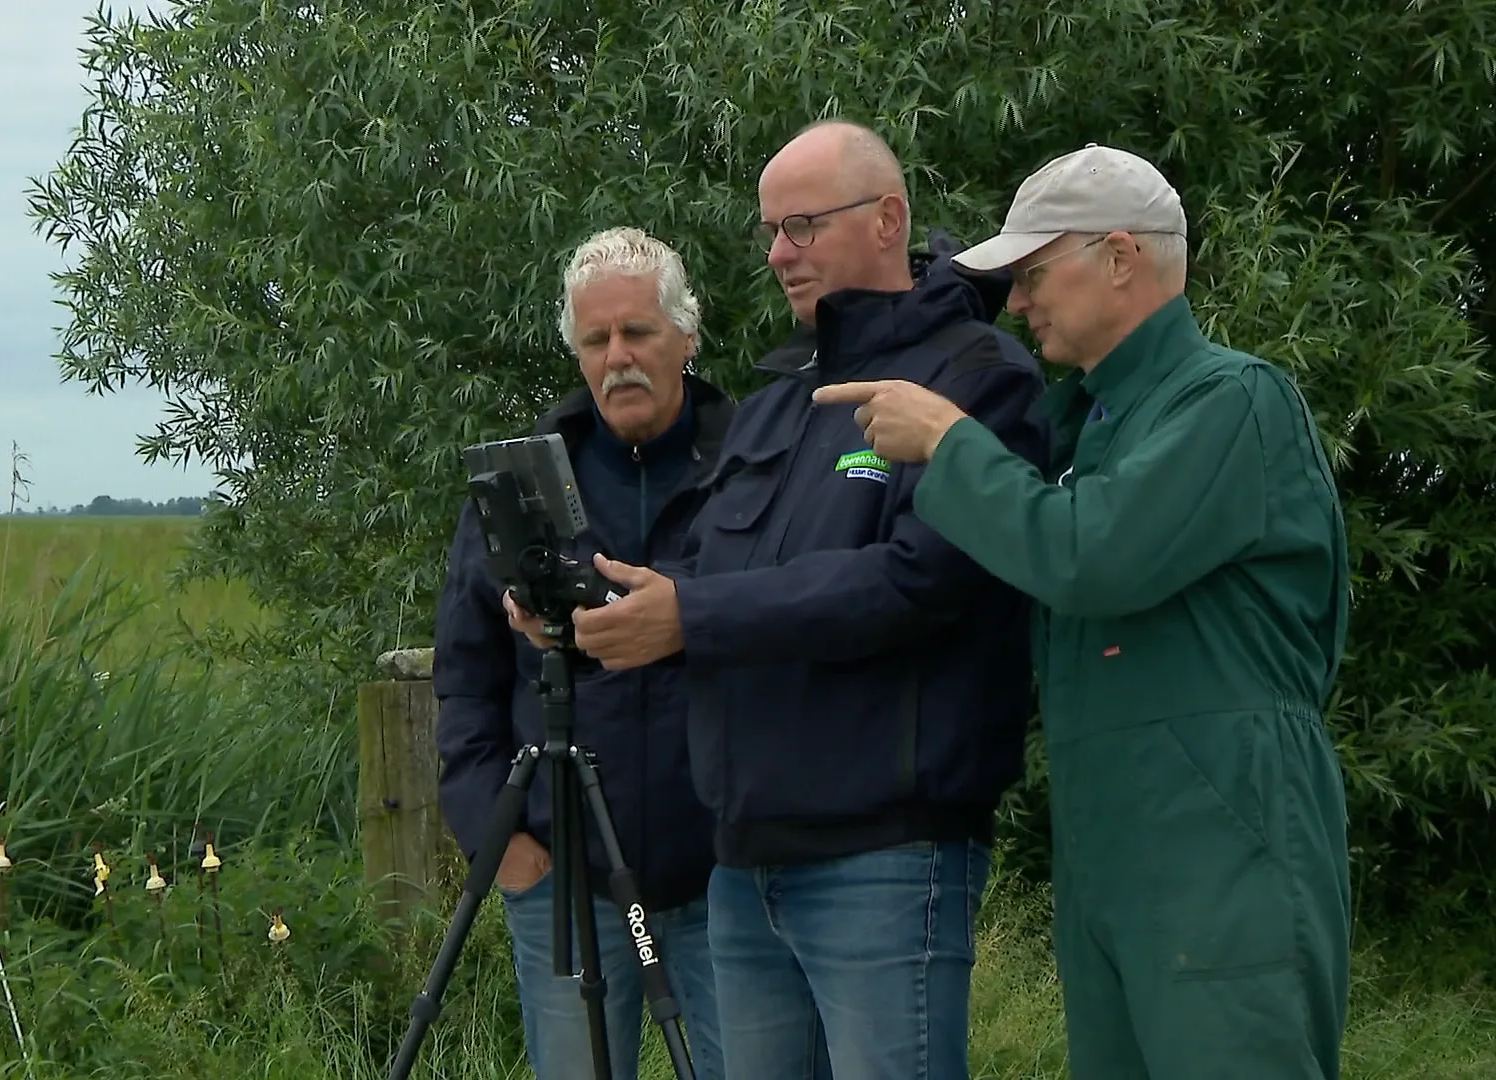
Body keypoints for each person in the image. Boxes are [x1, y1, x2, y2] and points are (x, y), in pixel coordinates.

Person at [515, 120, 1051, 1079]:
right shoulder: (775, 402)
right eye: (771, 231)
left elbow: (916, 581)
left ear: (888, 219)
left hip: (885, 854)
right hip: (743, 864)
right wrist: (597, 616)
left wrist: (691, 616)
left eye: (800, 226)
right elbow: (712, 584)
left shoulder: (977, 378)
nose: (776, 254)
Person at [814, 143, 1354, 1079]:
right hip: (1112, 842)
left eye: (1033, 273)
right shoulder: (1085, 423)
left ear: (1120, 257)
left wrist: (949, 440)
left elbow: (1088, 554)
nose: (1019, 303)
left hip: (1222, 836)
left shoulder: (1231, 399)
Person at [432, 226, 731, 1079]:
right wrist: (499, 840)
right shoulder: (517, 485)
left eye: (637, 333)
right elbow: (465, 677)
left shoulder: (751, 464)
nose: (618, 358)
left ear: (686, 336)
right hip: (563, 878)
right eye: (596, 340)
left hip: (722, 872)